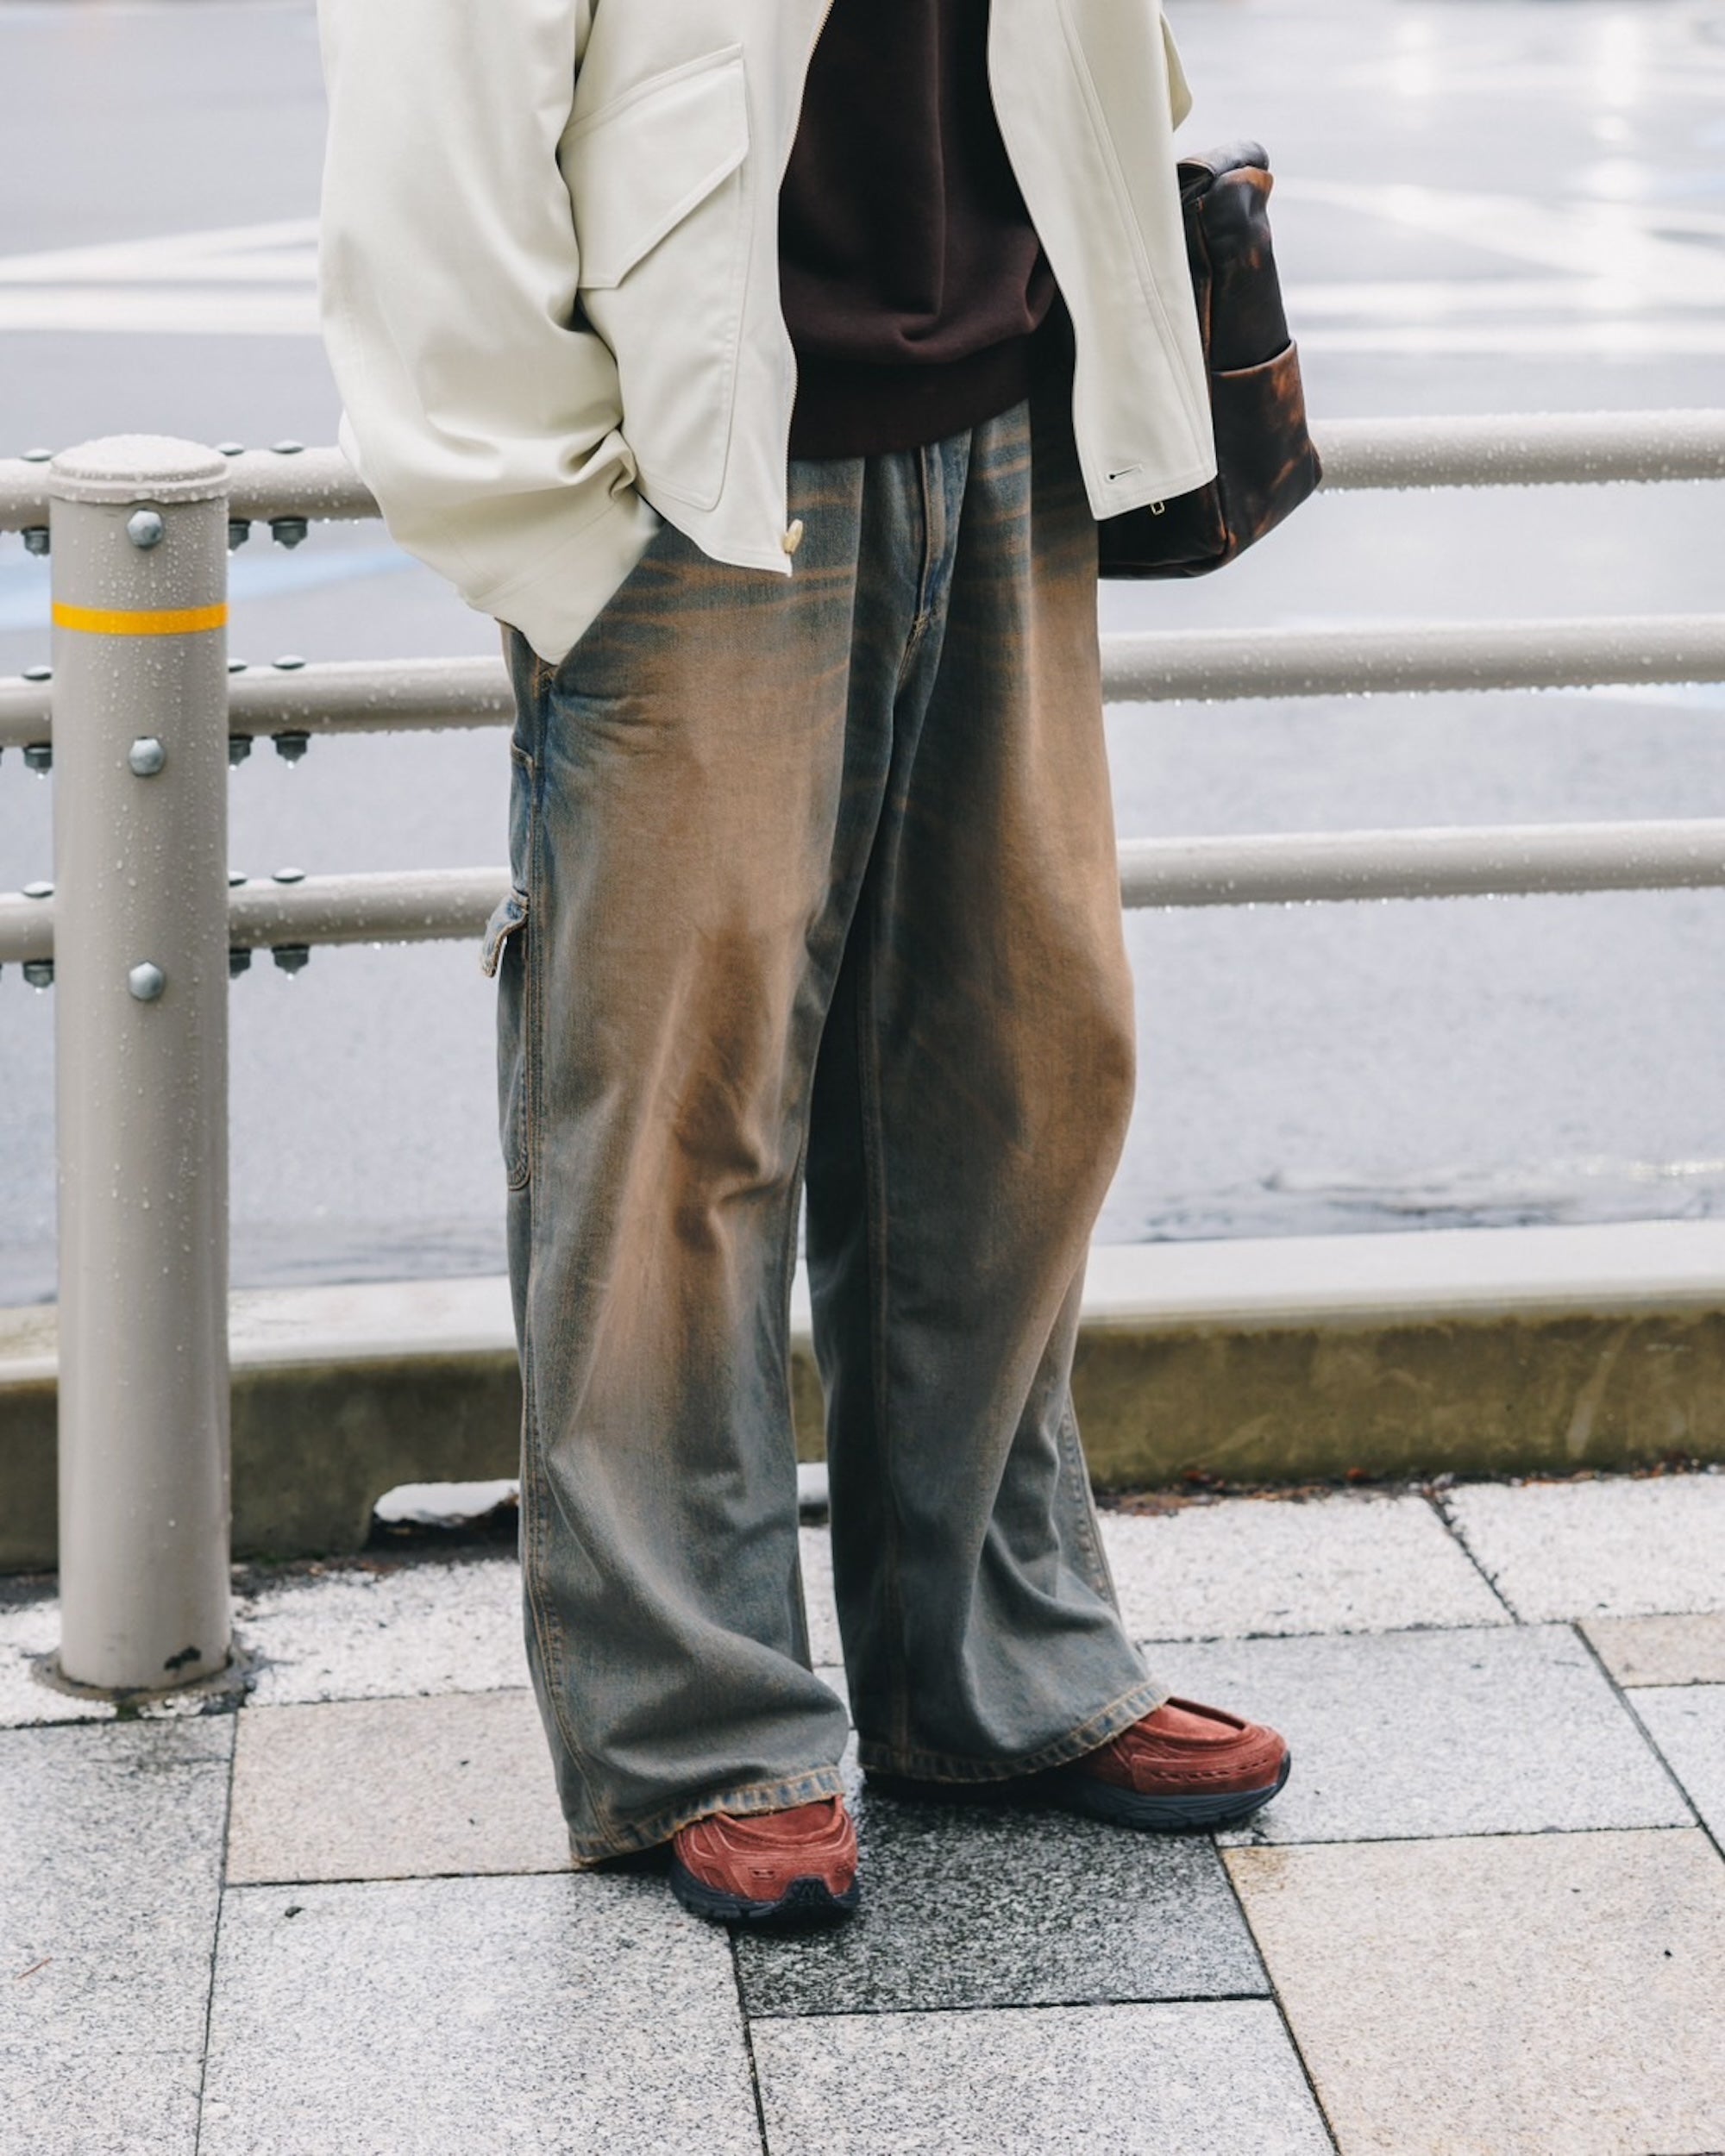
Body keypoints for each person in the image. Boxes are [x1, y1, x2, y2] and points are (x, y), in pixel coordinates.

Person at [315, 0, 1289, 1926]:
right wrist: (553, 510)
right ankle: (698, 1727)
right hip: (698, 466)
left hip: (1010, 398)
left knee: (1021, 1068)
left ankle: (996, 1664)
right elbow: (435, 114)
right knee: (679, 1110)